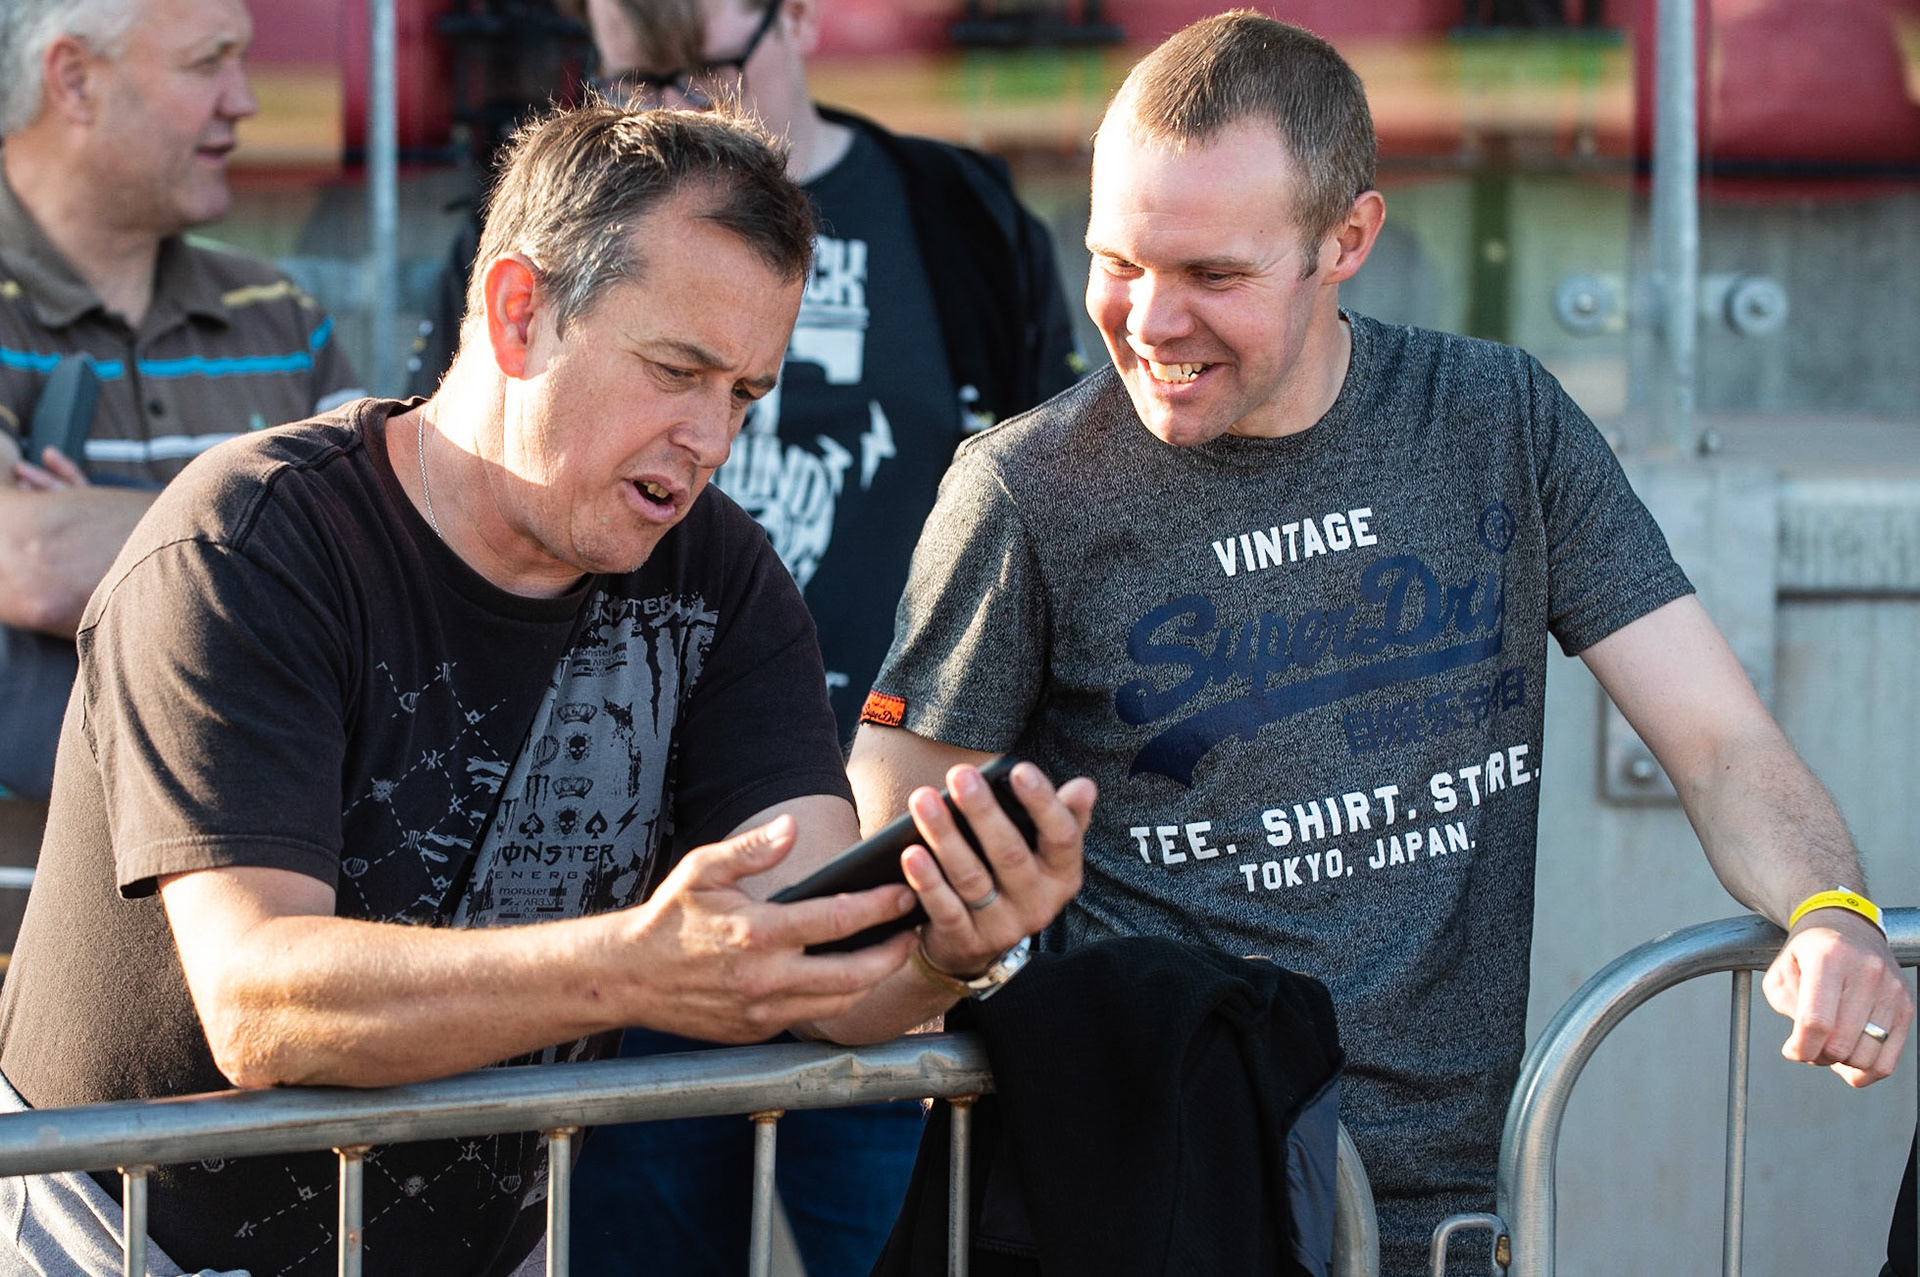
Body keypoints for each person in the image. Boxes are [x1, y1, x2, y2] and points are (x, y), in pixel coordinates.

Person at [845, 14, 1914, 1276]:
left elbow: (1722, 741)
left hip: (1449, 1226)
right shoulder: (1023, 488)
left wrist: (1833, 911)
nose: (1148, 319)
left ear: (1347, 240)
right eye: (1117, 260)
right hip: (1150, 1208)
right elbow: (898, 850)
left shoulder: (1498, 419)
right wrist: (972, 950)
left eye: (1213, 275)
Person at [0, 102, 1093, 1277]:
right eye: (677, 370)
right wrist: (629, 963)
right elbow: (263, 1001)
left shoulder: (718, 573)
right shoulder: (253, 541)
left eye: (744, 393)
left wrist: (944, 947)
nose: (712, 434)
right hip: (118, 1244)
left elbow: (805, 960)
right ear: (519, 312)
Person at [563, 1, 1081, 1272]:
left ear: (799, 18)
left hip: (896, 871)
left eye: (710, 70)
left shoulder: (952, 212)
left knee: (917, 1244)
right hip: (641, 888)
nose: (677, 108)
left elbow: (1068, 491)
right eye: (637, 80)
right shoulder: (564, 217)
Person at [0, 0, 362, 801]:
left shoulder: (277, 307)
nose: (245, 100)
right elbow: (32, 564)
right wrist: (293, 534)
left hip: (273, 876)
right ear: (73, 79)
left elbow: (381, 559)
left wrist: (92, 526)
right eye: (210, 62)